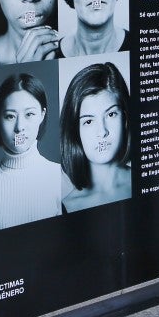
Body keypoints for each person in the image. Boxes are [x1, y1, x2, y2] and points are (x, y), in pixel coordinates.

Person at [0, 73, 59, 231]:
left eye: (29, 114)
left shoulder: (61, 176)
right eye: (10, 116)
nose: (19, 127)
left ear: (42, 115)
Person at [59, 61, 134, 213]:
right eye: (88, 121)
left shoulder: (149, 180)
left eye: (111, 114)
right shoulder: (67, 206)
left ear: (125, 119)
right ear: (75, 130)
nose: (102, 131)